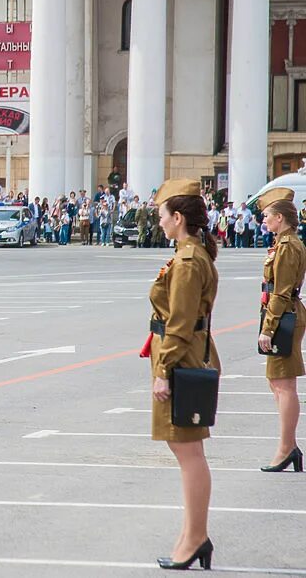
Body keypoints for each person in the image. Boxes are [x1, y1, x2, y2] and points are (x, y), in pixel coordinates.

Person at [143, 178, 219, 570]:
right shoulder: (187, 254)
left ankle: (195, 537)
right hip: (185, 357)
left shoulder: (188, 261)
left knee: (189, 453)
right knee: (188, 451)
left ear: (178, 218)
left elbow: (180, 322)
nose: (159, 223)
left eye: (162, 216)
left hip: (182, 361)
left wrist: (163, 370)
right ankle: (192, 534)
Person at [255, 188, 305, 473]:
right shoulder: (283, 243)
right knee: (277, 382)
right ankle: (290, 445)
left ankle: (286, 448)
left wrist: (268, 327)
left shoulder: (287, 247)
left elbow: (282, 292)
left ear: (280, 218)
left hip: (284, 317)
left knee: (283, 384)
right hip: (283, 315)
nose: (265, 221)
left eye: (267, 216)